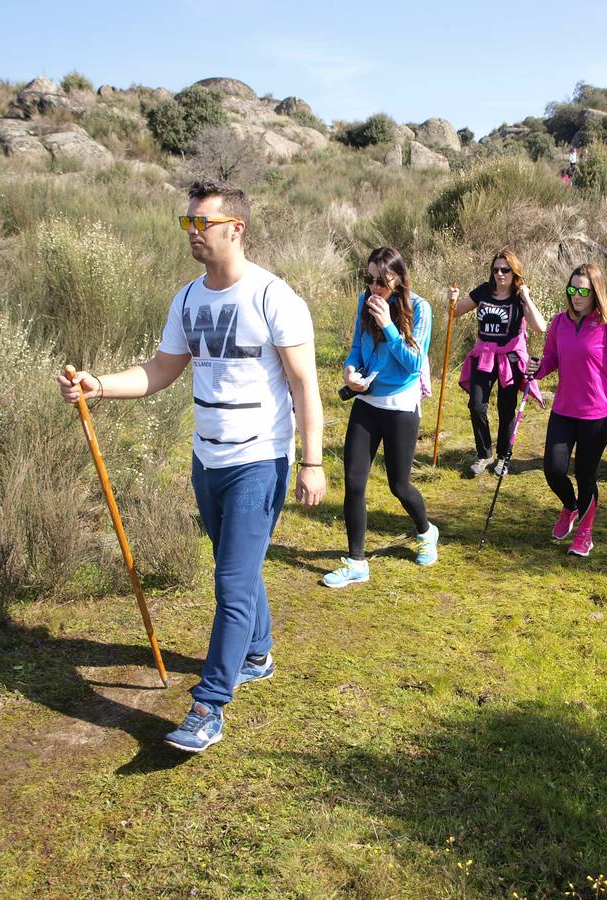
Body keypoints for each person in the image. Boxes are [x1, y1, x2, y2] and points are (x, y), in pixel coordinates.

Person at [58, 180, 326, 754]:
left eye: (202, 223)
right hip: (207, 459)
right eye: (188, 223)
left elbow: (305, 384)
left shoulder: (274, 298)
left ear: (237, 228)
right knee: (238, 563)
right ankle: (258, 652)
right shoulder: (187, 300)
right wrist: (98, 386)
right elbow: (160, 370)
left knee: (229, 582)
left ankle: (209, 705)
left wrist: (312, 460)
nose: (193, 233)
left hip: (259, 458)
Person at [323, 247, 438, 589]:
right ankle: (357, 562)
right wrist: (350, 370)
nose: (374, 288)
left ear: (399, 279)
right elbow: (358, 347)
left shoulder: (420, 308)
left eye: (382, 282)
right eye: (369, 280)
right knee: (354, 481)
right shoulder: (365, 301)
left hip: (400, 404)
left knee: (398, 485)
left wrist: (388, 324)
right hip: (367, 400)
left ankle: (426, 531)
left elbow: (413, 362)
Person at [528, 263, 607, 557]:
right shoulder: (558, 322)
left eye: (583, 291)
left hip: (597, 415)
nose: (576, 296)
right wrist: (537, 370)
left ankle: (585, 533)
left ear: (596, 293)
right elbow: (552, 358)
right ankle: (570, 506)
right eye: (572, 289)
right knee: (553, 470)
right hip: (564, 409)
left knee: (585, 474)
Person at [450, 249, 546, 476]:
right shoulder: (483, 291)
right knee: (476, 405)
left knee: (506, 409)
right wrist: (452, 299)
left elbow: (540, 327)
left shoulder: (518, 296)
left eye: (506, 269)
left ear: (514, 272)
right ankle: (484, 454)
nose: (500, 274)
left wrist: (526, 298)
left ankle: (504, 457)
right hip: (484, 355)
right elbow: (455, 313)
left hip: (510, 357)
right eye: (496, 269)